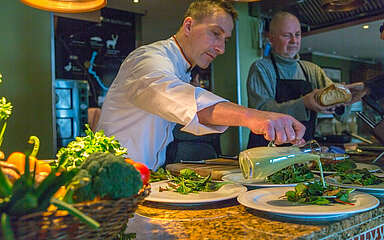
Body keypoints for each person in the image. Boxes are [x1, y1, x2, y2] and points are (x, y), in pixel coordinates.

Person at [97, 0, 306, 170]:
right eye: (216, 33)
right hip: (112, 180)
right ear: (188, 26)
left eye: (225, 39)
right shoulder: (147, 58)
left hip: (144, 178)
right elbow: (173, 95)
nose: (221, 48)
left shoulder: (183, 69)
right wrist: (253, 117)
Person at [247, 11, 366, 148]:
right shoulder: (261, 68)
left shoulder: (312, 70)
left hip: (302, 151)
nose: (294, 41)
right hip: (266, 150)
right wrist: (304, 103)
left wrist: (345, 98)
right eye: (287, 35)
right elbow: (261, 113)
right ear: (271, 38)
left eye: (297, 35)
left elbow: (341, 115)